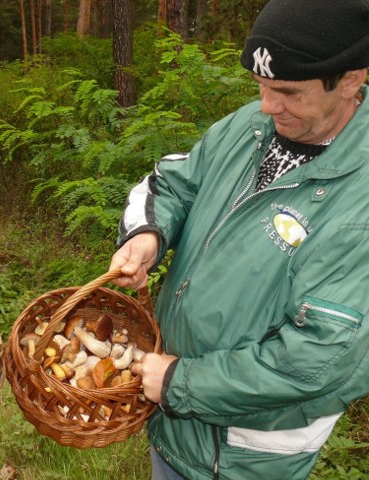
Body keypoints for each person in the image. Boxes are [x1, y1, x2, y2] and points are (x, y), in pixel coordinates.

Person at [109, 1, 369, 479]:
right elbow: (174, 184)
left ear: (352, 79)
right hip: (175, 418)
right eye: (261, 86)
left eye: (287, 91)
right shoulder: (249, 127)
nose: (268, 106)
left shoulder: (360, 201)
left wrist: (178, 381)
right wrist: (148, 234)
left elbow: (318, 358)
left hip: (245, 453)